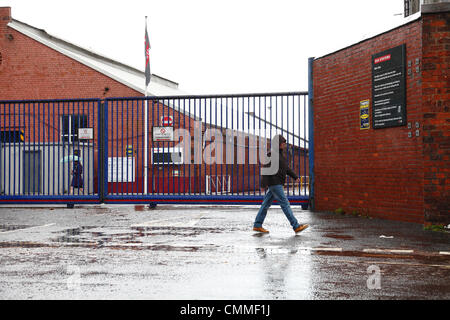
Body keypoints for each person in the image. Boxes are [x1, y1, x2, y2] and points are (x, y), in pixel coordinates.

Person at [253, 135, 309, 234]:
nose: (284, 145)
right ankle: (296, 226)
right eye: (283, 143)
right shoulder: (271, 154)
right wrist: (263, 184)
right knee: (285, 204)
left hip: (276, 183)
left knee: (265, 204)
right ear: (278, 144)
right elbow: (266, 169)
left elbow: (286, 168)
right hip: (275, 183)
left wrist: (295, 177)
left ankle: (257, 225)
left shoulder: (280, 155)